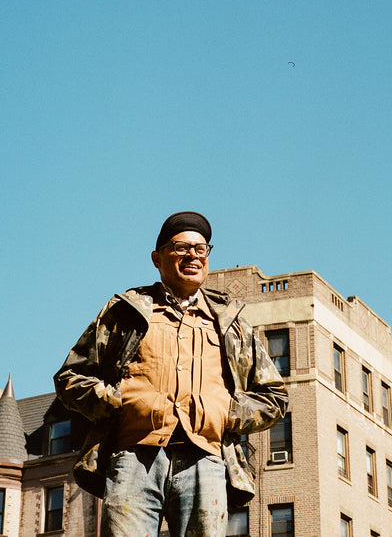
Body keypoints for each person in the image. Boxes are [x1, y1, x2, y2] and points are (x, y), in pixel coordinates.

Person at [54, 211, 288, 537]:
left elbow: (275, 396)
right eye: (181, 247)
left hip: (206, 461)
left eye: (201, 248)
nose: (193, 255)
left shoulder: (230, 321)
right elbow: (70, 377)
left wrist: (227, 413)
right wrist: (117, 401)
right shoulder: (127, 311)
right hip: (133, 456)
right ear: (157, 258)